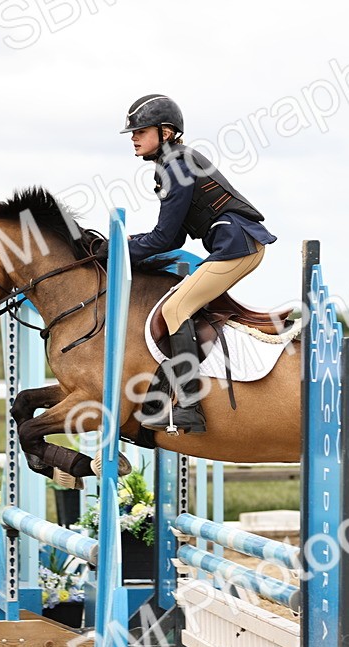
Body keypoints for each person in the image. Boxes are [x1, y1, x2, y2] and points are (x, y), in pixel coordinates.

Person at [118, 94, 277, 435]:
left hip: (238, 246)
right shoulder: (173, 164)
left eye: (140, 131)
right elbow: (172, 239)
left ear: (165, 132)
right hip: (236, 244)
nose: (133, 137)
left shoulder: (176, 166)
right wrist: (129, 244)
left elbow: (162, 241)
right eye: (132, 132)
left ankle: (189, 406)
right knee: (178, 305)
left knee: (174, 309)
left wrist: (116, 253)